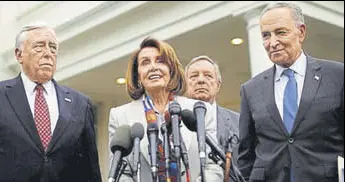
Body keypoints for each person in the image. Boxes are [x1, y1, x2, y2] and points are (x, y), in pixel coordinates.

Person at [237, 2, 344, 182]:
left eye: (280, 32)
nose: (272, 43)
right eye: (265, 35)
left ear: (301, 32)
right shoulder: (250, 90)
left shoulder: (337, 76)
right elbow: (245, 155)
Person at [108, 37, 223, 182]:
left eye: (160, 61)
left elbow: (213, 167)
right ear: (138, 76)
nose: (153, 67)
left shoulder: (200, 110)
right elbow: (121, 174)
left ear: (171, 70)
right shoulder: (119, 116)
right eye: (145, 62)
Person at [0, 22, 102, 182]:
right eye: (39, 46)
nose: (48, 53)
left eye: (53, 48)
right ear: (19, 55)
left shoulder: (80, 104)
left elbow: (90, 170)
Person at [185, 55, 241, 181]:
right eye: (194, 76)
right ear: (185, 84)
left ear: (218, 85)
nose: (201, 80)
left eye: (208, 76)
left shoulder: (238, 122)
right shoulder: (176, 124)